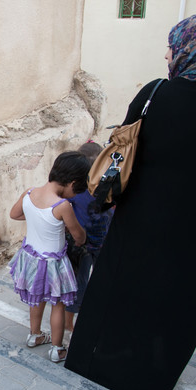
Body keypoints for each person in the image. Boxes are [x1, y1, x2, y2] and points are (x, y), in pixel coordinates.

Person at [64, 14, 196, 390]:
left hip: (143, 215)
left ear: (189, 49)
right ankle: (150, 384)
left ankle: (92, 364)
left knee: (121, 288)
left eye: (172, 45)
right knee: (177, 300)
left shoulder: (157, 93)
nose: (166, 52)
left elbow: (126, 138)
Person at [8, 151, 90, 363]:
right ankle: (57, 348)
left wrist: (37, 218)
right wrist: (81, 238)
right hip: (54, 264)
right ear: (72, 182)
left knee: (36, 299)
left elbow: (14, 214)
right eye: (77, 189)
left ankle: (34, 336)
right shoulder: (62, 206)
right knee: (59, 304)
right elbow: (78, 235)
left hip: (31, 258)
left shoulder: (29, 193)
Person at [64, 141, 114, 341]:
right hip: (81, 246)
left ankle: (79, 320)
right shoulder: (75, 187)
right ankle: (69, 325)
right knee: (78, 285)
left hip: (98, 242)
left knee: (87, 283)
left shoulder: (107, 183)